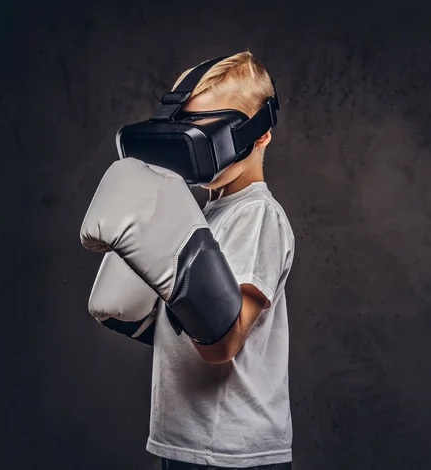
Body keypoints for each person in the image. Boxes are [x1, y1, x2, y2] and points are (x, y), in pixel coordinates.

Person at [149, 51, 296, 470]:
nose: (197, 144)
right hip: (183, 440)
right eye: (189, 127)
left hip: (234, 450)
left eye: (214, 130)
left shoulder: (257, 215)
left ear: (260, 134)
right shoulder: (201, 214)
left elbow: (223, 344)